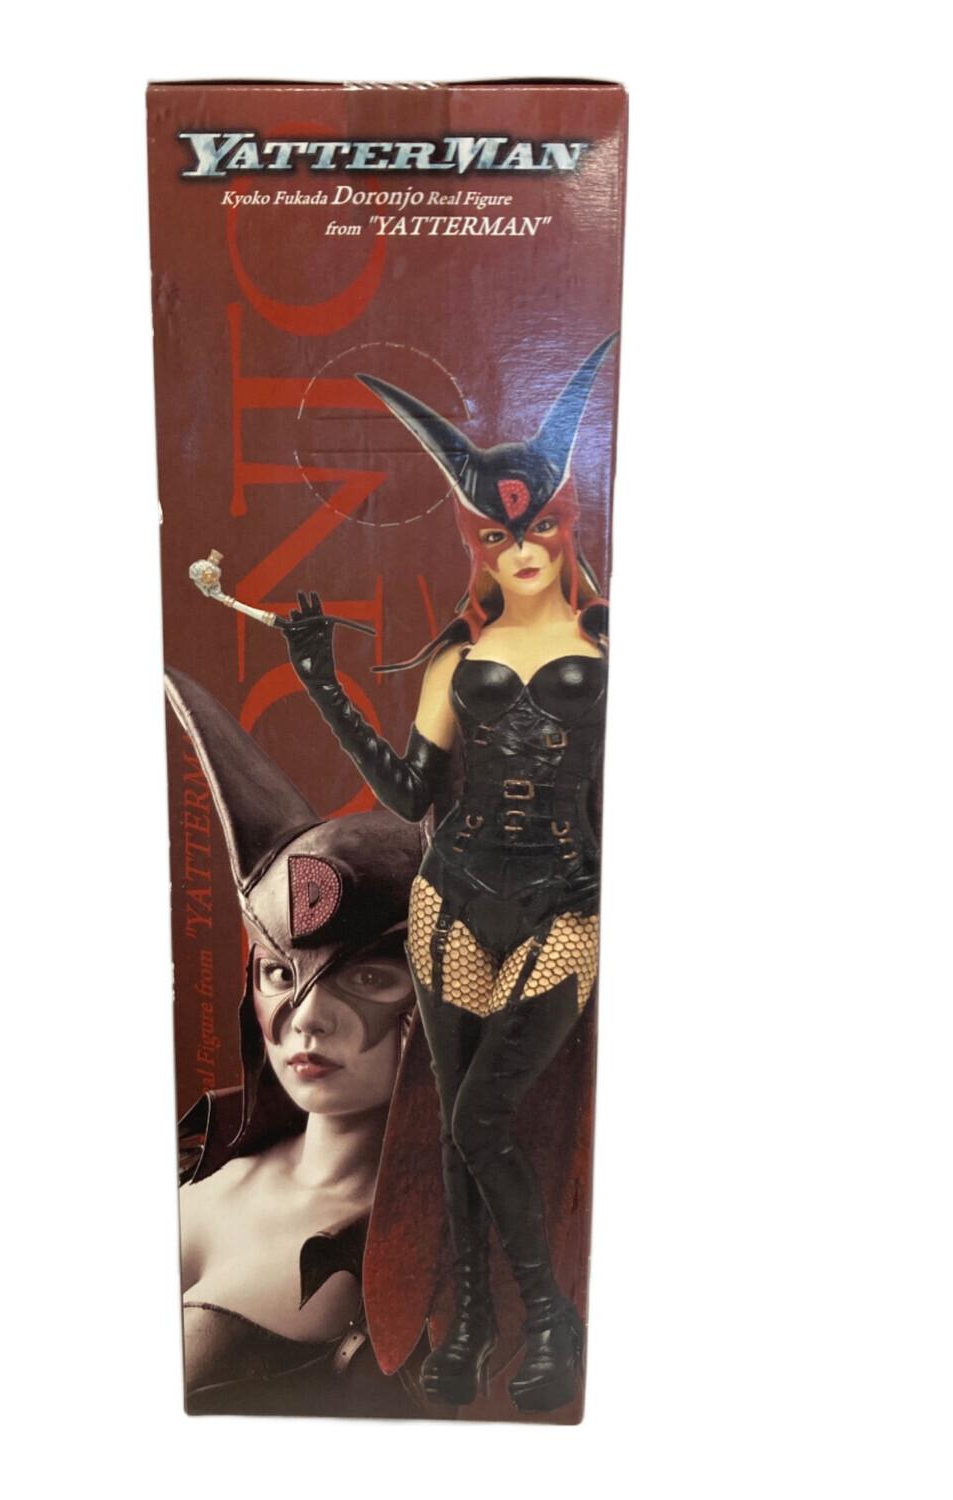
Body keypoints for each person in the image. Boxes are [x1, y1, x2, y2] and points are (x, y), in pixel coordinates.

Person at [278, 335, 616, 1414]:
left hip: (565, 907)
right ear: (479, 540)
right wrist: (323, 683)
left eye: (538, 525)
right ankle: (466, 1322)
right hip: (452, 903)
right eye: (498, 532)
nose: (521, 546)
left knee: (481, 1119)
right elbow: (409, 794)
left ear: (565, 524)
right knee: (458, 1120)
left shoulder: (615, 647)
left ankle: (548, 1317)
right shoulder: (455, 657)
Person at [164, 667, 433, 1418]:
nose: (308, 1019)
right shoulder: (204, 1176)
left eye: (369, 978)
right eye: (281, 973)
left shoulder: (468, 1241)